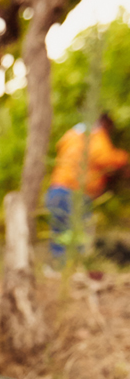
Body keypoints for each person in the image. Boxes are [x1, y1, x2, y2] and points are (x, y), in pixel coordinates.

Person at [44, 112, 128, 266]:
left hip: (56, 190)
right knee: (76, 236)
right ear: (105, 124)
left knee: (61, 233)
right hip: (74, 193)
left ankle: (59, 268)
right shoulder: (96, 136)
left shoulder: (72, 135)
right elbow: (104, 158)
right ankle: (68, 269)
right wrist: (124, 158)